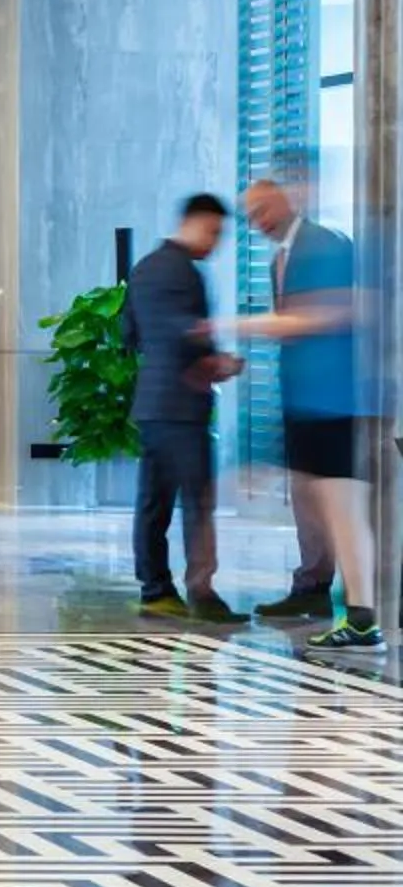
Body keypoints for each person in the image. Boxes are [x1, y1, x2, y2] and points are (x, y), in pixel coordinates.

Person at [234, 175, 380, 650]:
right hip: (308, 401)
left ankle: (361, 617)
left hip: (333, 400)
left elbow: (331, 313)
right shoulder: (285, 256)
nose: (258, 222)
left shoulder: (325, 244)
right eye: (251, 215)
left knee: (343, 511)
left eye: (262, 210)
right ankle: (326, 596)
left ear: (288, 197)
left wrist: (244, 324)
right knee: (323, 509)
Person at [121, 193, 241, 623]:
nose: (216, 242)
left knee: (153, 501)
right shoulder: (183, 272)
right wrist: (218, 362)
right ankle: (202, 593)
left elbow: (129, 332)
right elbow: (185, 332)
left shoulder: (144, 268)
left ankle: (154, 589)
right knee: (197, 500)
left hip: (152, 403)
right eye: (214, 231)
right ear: (195, 221)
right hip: (182, 403)